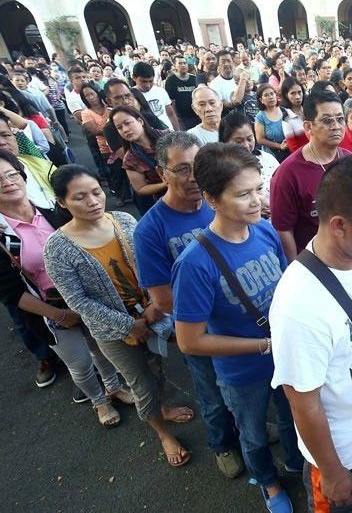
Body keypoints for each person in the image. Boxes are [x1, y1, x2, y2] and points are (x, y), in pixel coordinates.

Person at [270, 157, 352, 513]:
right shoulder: (299, 302)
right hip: (343, 452)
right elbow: (303, 401)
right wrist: (331, 471)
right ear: (339, 225)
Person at [172, 144, 301, 512]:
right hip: (242, 372)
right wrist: (261, 346)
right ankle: (270, 483)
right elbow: (190, 340)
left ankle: (294, 465)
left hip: (284, 355)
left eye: (258, 188)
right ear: (211, 198)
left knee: (293, 418)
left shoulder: (264, 231)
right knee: (254, 434)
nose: (257, 200)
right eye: (243, 194)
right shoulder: (194, 263)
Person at [43, 164, 194, 467]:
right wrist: (130, 325)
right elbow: (78, 302)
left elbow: (154, 265)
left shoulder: (124, 220)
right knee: (140, 383)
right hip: (112, 331)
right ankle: (162, 432)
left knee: (158, 367)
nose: (93, 201)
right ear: (62, 203)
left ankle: (163, 408)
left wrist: (154, 306)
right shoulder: (57, 248)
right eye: (80, 197)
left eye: (96, 192)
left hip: (152, 315)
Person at [132, 131, 243, 478]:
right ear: (162, 172)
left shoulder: (218, 204)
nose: (193, 176)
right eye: (181, 169)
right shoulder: (150, 229)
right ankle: (222, 444)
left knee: (244, 386)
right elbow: (163, 299)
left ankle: (250, 430)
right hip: (200, 332)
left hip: (239, 321)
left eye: (198, 166)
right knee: (211, 395)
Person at [0, 150, 132, 426]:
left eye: (11, 174)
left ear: (23, 176)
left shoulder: (52, 212)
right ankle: (98, 401)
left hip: (86, 297)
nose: (8, 182)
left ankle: (113, 387)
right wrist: (58, 315)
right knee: (80, 363)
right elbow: (11, 293)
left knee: (102, 348)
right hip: (51, 311)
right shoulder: (3, 237)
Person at [270, 91, 351, 262]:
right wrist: (298, 269)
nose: (336, 126)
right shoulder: (288, 174)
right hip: (316, 264)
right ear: (308, 127)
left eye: (340, 119)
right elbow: (284, 230)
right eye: (327, 120)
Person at [219, 112, 279, 218]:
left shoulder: (267, 158)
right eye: (239, 141)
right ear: (225, 142)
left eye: (250, 139)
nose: (246, 145)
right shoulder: (222, 170)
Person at [110, 105, 167, 214]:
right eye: (119, 127)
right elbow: (141, 188)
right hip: (165, 201)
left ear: (140, 121)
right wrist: (165, 183)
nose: (125, 130)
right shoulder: (130, 159)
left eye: (127, 123)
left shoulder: (168, 136)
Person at [131, 62, 179, 131]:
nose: (148, 85)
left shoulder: (160, 91)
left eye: (150, 81)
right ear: (134, 77)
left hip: (169, 132)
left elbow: (171, 114)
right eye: (143, 81)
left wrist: (177, 132)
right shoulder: (130, 96)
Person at [254, 84, 290, 162]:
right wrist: (279, 146)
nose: (270, 97)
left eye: (272, 93)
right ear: (261, 100)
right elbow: (260, 139)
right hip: (273, 156)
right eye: (266, 95)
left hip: (290, 151)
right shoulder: (260, 117)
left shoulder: (285, 110)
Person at [164, 54, 200, 130]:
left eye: (185, 63)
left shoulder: (194, 78)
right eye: (180, 63)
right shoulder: (170, 81)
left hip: (197, 115)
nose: (183, 65)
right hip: (182, 118)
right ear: (174, 66)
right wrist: (175, 117)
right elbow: (170, 101)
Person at [279, 77, 308, 152]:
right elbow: (293, 147)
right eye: (293, 93)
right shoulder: (287, 118)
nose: (297, 97)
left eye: (299, 92)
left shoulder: (309, 109)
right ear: (286, 95)